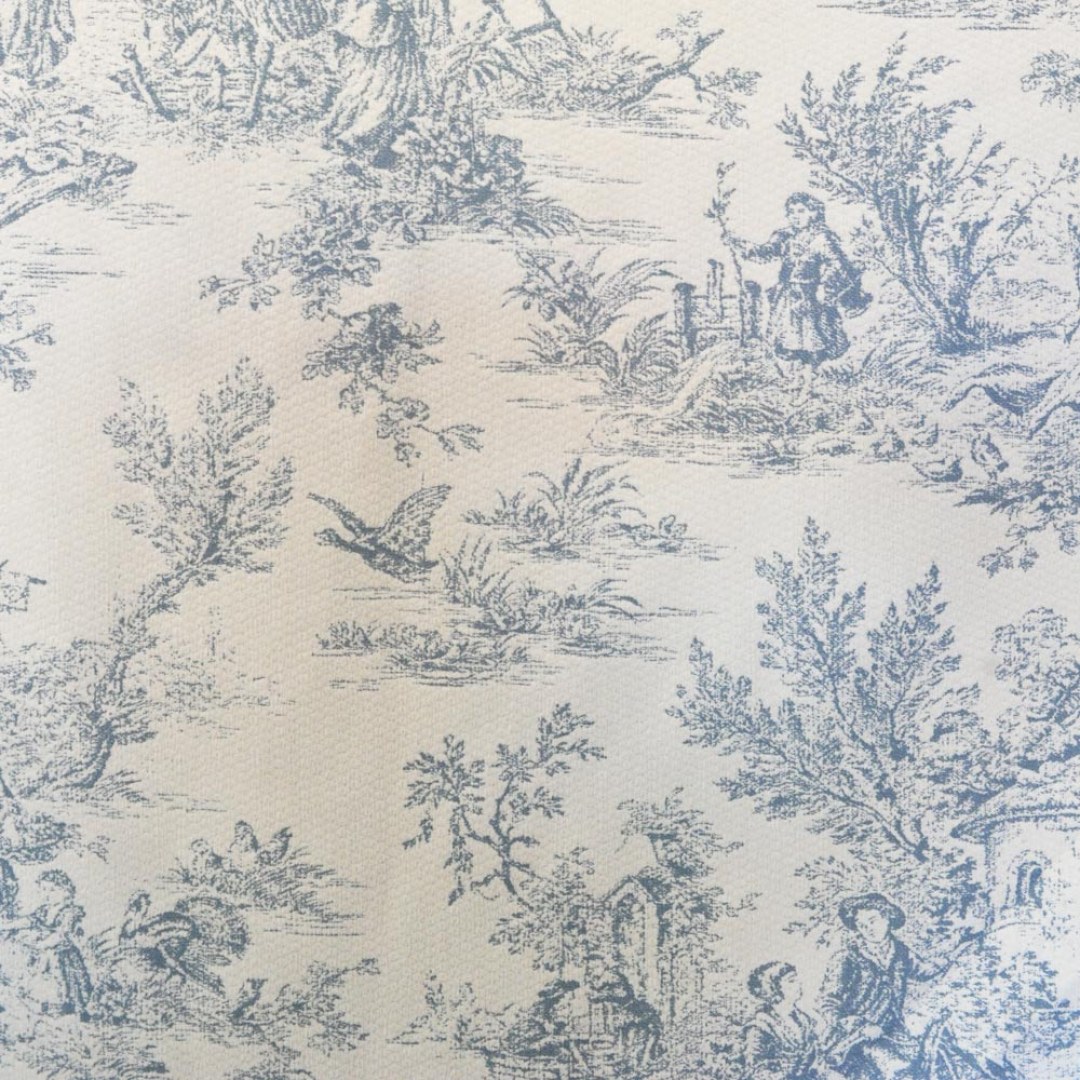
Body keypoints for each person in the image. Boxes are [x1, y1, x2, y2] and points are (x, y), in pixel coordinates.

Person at [740, 193, 871, 367]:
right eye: (791, 212)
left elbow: (836, 264)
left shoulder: (822, 238)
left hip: (810, 292)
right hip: (787, 290)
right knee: (787, 327)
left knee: (812, 328)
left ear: (814, 213)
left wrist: (825, 285)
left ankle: (816, 360)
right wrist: (747, 248)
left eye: (801, 211)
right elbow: (768, 251)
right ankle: (793, 359)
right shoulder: (784, 236)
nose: (795, 216)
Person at [743, 961, 843, 1080]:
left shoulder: (805, 1021)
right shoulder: (760, 1026)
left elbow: (816, 1061)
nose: (799, 983)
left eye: (796, 979)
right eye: (791, 981)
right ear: (772, 988)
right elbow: (758, 1070)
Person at [25, 870, 93, 1021]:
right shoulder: (44, 910)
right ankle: (49, 1008)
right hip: (46, 955)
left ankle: (76, 1010)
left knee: (68, 982)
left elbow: (62, 934)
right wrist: (5, 926)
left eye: (52, 890)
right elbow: (28, 921)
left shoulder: (70, 912)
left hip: (64, 956)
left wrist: (41, 944)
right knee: (44, 981)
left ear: (66, 891)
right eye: (43, 889)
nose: (47, 894)